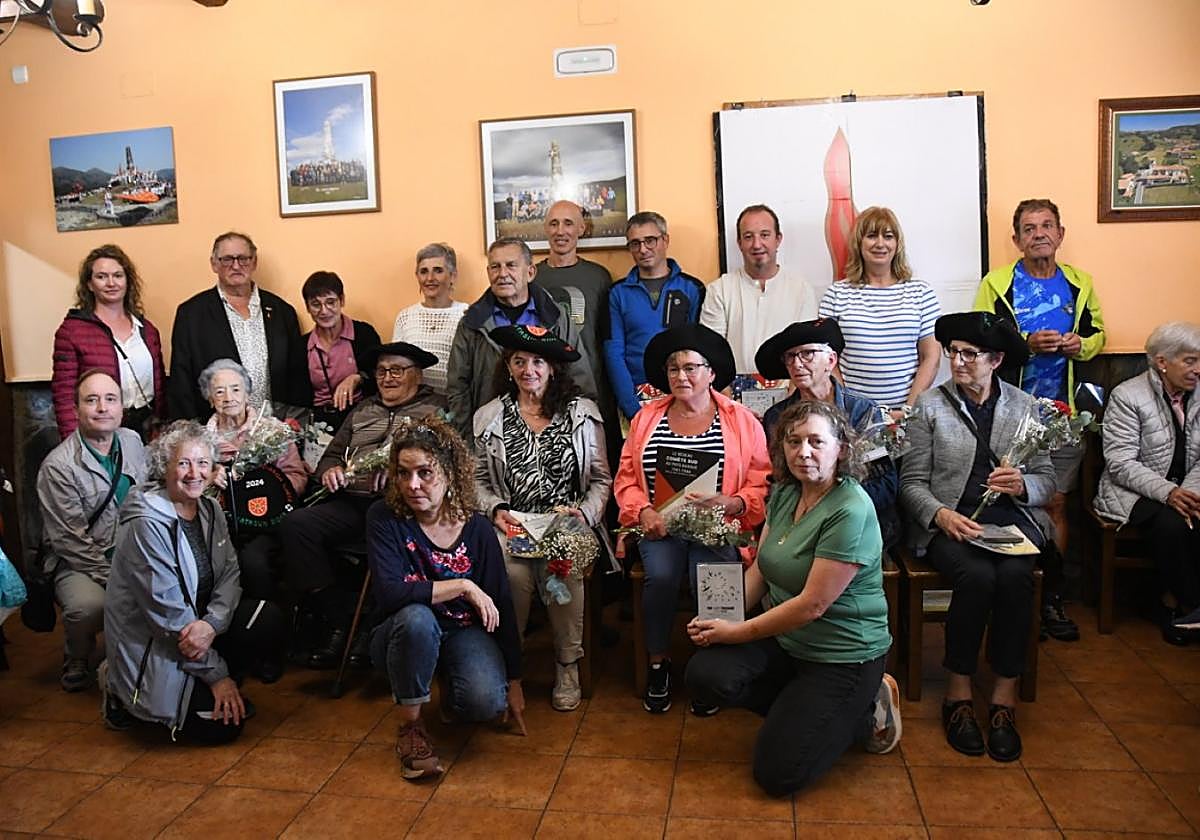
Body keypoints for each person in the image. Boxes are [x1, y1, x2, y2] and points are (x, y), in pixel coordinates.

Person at [685, 400, 899, 796]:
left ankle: (863, 710)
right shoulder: (785, 492)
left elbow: (811, 605)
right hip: (789, 643)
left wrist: (735, 633)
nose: (804, 452)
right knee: (705, 675)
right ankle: (805, 712)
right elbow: (763, 569)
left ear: (842, 448)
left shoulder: (851, 509)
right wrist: (718, 619)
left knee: (778, 776)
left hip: (843, 657)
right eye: (794, 440)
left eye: (817, 441)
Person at [899, 311, 1056, 762]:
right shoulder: (929, 406)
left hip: (1010, 523)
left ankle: (1004, 696)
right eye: (954, 353)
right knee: (978, 578)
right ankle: (959, 693)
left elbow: (1046, 481)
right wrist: (942, 515)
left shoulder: (1025, 407)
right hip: (953, 523)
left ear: (997, 359)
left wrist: (1024, 485)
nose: (959, 362)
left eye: (971, 355)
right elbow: (911, 484)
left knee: (1014, 578)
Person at [614, 324, 769, 713]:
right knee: (662, 576)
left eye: (690, 367)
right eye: (673, 369)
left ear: (711, 372)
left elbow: (762, 481)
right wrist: (643, 510)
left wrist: (734, 503)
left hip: (718, 524)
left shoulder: (742, 419)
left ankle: (713, 668)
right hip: (660, 526)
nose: (681, 376)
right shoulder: (646, 418)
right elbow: (627, 478)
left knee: (715, 576)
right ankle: (658, 662)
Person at [102, 421, 287, 743]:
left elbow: (230, 574)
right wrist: (218, 676)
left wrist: (212, 623)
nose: (194, 473)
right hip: (158, 639)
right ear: (165, 467)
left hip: (198, 629)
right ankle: (118, 689)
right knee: (224, 728)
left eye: (203, 463)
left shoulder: (210, 509)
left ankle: (216, 682)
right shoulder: (146, 524)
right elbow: (166, 614)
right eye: (183, 463)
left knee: (265, 617)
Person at [975, 198, 1106, 641]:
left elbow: (1098, 334)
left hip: (1063, 416)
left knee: (1054, 503)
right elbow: (981, 337)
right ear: (1016, 239)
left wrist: (1079, 345)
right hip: (1009, 414)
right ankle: (1011, 598)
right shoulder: (997, 284)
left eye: (1047, 226)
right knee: (1006, 499)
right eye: (1028, 229)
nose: (1039, 235)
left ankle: (1050, 597)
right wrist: (1025, 343)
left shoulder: (1080, 283)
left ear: (1061, 233)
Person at [366, 416, 524, 779]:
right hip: (398, 631)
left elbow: (500, 601)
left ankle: (442, 681)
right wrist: (464, 585)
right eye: (403, 474)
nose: (413, 484)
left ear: (450, 474)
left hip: (460, 630)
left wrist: (514, 680)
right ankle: (410, 727)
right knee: (417, 619)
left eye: (425, 473)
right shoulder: (384, 517)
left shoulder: (477, 528)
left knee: (485, 701)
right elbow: (390, 594)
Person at [281, 342, 446, 668]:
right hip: (350, 502)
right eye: (382, 371)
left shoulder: (435, 410)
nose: (387, 378)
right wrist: (331, 470)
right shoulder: (362, 410)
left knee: (380, 516)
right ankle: (341, 618)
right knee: (295, 525)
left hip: (402, 509)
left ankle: (366, 630)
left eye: (397, 370)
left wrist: (401, 472)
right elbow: (331, 453)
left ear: (417, 374)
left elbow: (445, 462)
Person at [473, 325, 612, 712]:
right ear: (508, 366)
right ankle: (509, 663)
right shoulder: (490, 417)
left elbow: (602, 479)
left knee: (559, 566)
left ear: (553, 368)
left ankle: (567, 662)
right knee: (511, 571)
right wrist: (496, 511)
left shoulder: (582, 414)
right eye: (519, 361)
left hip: (567, 522)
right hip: (511, 522)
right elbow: (478, 481)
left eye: (538, 361)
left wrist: (583, 514)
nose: (528, 369)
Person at [36, 370, 147, 691]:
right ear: (76, 410)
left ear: (121, 408)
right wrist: (116, 578)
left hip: (133, 550)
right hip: (82, 561)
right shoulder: (58, 467)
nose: (102, 408)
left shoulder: (132, 441)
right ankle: (78, 653)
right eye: (92, 400)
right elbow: (70, 541)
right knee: (90, 607)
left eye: (110, 399)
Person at [1095, 322, 1200, 644]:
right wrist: (1169, 492)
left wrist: (1190, 494)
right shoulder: (1128, 395)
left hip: (1187, 489)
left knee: (1190, 514)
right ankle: (1188, 605)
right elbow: (1120, 463)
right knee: (1172, 525)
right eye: (1190, 361)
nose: (1197, 370)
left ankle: (1175, 605)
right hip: (1131, 490)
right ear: (1162, 361)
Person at [757, 318, 899, 548]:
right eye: (790, 357)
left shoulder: (863, 411)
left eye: (807, 354)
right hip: (798, 522)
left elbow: (886, 483)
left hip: (858, 522)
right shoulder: (777, 416)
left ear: (831, 360)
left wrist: (833, 508)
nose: (797, 364)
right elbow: (779, 479)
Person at [200, 359, 306, 666]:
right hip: (218, 525)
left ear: (248, 393)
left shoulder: (270, 431)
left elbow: (297, 477)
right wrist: (208, 478)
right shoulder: (200, 440)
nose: (228, 397)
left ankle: (266, 643)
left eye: (235, 389)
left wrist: (273, 489)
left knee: (254, 563)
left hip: (267, 525)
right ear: (210, 398)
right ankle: (218, 645)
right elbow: (185, 484)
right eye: (219, 391)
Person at [446, 238, 595, 437]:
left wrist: (576, 433)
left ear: (530, 272)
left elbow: (579, 376)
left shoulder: (556, 318)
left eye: (511, 266)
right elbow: (458, 387)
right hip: (491, 434)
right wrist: (467, 438)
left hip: (551, 432)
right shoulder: (471, 322)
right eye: (495, 267)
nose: (502, 274)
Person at [168, 231, 310, 421]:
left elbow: (297, 375)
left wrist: (295, 424)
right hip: (217, 433)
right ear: (214, 264)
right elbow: (181, 380)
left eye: (243, 258)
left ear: (254, 262)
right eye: (227, 259)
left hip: (273, 430)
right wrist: (192, 434)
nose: (236, 266)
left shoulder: (282, 312)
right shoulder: (191, 314)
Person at [818, 207, 941, 407]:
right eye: (872, 235)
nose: (880, 243)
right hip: (853, 416)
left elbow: (931, 357)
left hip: (908, 414)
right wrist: (847, 406)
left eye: (888, 236)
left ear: (897, 243)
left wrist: (909, 410)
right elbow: (826, 359)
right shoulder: (836, 294)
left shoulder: (921, 293)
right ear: (859, 242)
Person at [51, 244, 165, 440]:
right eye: (101, 277)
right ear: (89, 284)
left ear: (128, 281)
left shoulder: (147, 330)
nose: (111, 283)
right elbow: (64, 395)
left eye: (118, 275)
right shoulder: (72, 331)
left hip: (147, 429)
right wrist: (73, 442)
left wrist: (163, 426)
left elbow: (160, 384)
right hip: (100, 429)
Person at [605, 211, 706, 421]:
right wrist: (631, 407)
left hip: (685, 398)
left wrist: (688, 399)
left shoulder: (692, 288)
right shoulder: (617, 293)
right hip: (634, 401)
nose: (643, 249)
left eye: (650, 240)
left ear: (665, 240)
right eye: (635, 243)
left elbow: (697, 350)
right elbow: (614, 352)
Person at [700, 204, 817, 376]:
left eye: (764, 235)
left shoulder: (801, 289)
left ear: (778, 239)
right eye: (748, 237)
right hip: (733, 394)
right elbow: (710, 351)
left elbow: (808, 349)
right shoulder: (719, 290)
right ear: (739, 243)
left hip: (791, 391)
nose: (757, 244)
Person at [535, 201, 614, 416]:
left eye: (568, 223)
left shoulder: (599, 276)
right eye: (553, 224)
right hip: (544, 385)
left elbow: (607, 336)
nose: (560, 231)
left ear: (581, 228)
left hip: (592, 383)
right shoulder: (532, 277)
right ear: (546, 229)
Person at [302, 270, 382, 431]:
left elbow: (380, 376)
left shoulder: (364, 334)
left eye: (331, 302)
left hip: (361, 418)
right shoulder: (301, 346)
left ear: (342, 300)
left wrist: (357, 378)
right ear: (308, 308)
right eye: (316, 304)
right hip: (317, 424)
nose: (324, 311)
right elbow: (297, 397)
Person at [392, 243, 468, 396]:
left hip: (454, 404)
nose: (430, 278)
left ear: (452, 276)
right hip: (413, 405)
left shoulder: (466, 315)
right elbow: (396, 365)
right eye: (423, 271)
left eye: (438, 271)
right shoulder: (405, 317)